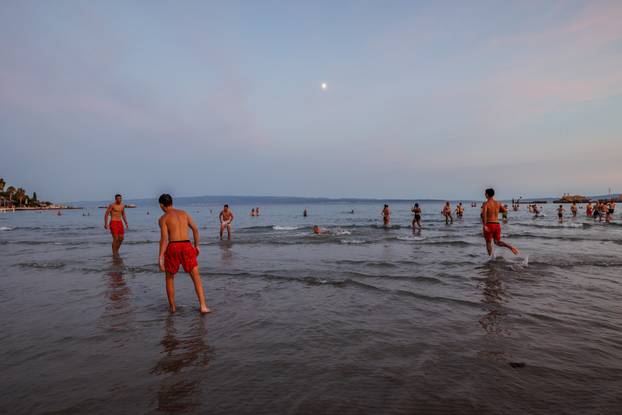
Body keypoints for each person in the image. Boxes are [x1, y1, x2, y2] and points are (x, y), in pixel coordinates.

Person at [157, 194, 209, 314]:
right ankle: (203, 306)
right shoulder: (184, 213)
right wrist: (197, 246)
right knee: (196, 278)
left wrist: (160, 258)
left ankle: (173, 308)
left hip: (173, 246)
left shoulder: (163, 218)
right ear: (171, 202)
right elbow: (195, 229)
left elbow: (164, 239)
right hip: (186, 245)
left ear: (161, 205)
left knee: (169, 278)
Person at [482, 188, 519, 256]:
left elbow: (484, 214)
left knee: (488, 242)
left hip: (489, 224)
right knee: (497, 242)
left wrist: (484, 225)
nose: (484, 194)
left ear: (487, 194)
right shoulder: (498, 203)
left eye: (485, 193)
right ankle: (510, 247)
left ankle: (490, 259)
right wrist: (495, 211)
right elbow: (505, 211)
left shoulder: (486, 203)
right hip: (497, 225)